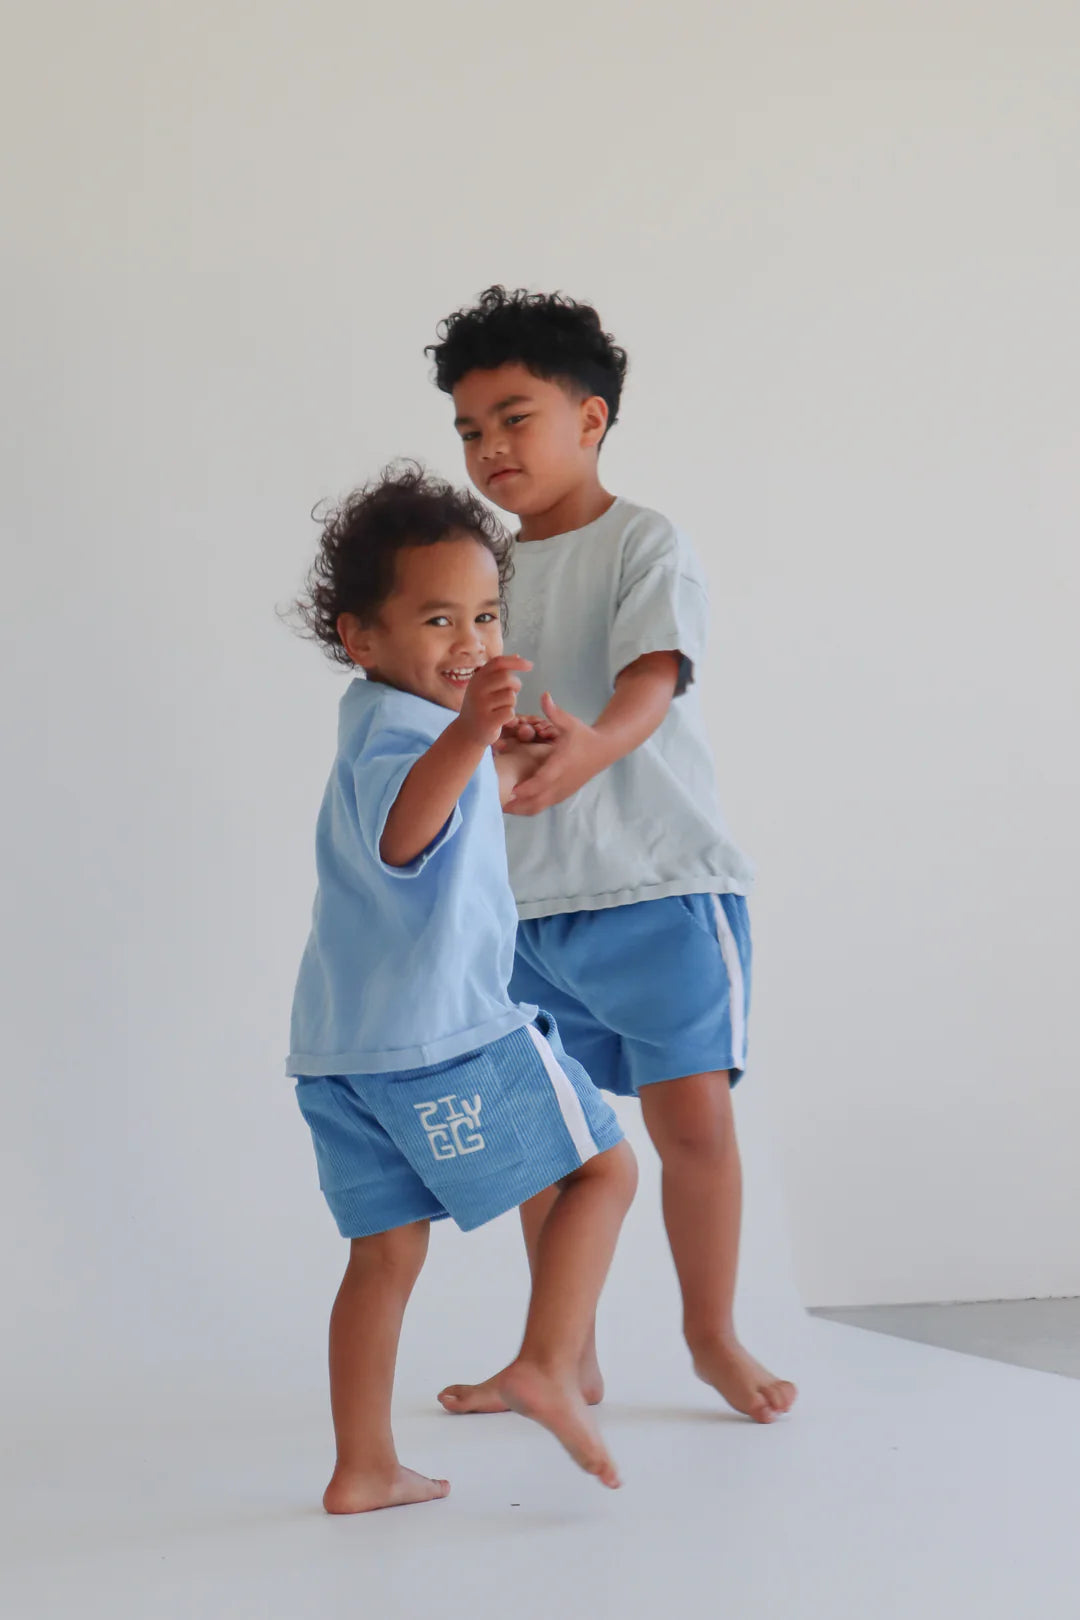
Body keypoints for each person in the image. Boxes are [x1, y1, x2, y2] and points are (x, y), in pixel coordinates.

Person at [425, 287, 796, 1424]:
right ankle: (561, 1356)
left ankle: (710, 1336)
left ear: (590, 419)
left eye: (514, 418)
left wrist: (587, 752)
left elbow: (652, 679)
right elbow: (465, 695)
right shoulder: (482, 574)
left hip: (660, 885)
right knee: (553, 1148)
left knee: (692, 1126)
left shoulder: (646, 541)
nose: (491, 450)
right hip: (525, 906)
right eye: (470, 431)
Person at [286, 464, 637, 1513]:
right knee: (601, 1176)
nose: (472, 642)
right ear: (362, 638)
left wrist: (489, 751)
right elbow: (405, 835)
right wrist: (473, 735)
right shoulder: (416, 734)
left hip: (343, 1052)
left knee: (384, 1256)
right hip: (442, 1037)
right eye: (438, 619)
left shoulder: (376, 721)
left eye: (486, 615)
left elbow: (429, 809)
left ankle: (362, 1466)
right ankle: (547, 1359)